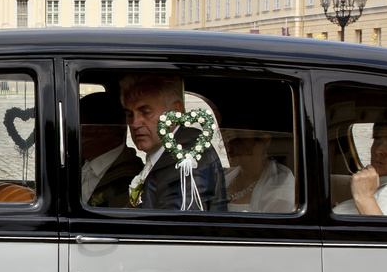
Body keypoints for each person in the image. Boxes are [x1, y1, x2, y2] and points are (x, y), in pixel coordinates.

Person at [119, 73, 224, 210]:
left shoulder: (187, 159)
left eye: (145, 112)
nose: (135, 123)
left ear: (176, 111)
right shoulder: (166, 155)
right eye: (129, 115)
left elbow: (175, 225)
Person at [80, 91, 144, 207]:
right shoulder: (80, 161)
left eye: (80, 126)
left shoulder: (129, 178)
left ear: (108, 129)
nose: (72, 133)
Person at [222, 128, 296, 213]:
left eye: (239, 138)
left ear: (266, 140)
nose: (230, 145)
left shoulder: (280, 186)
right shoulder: (224, 176)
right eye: (227, 138)